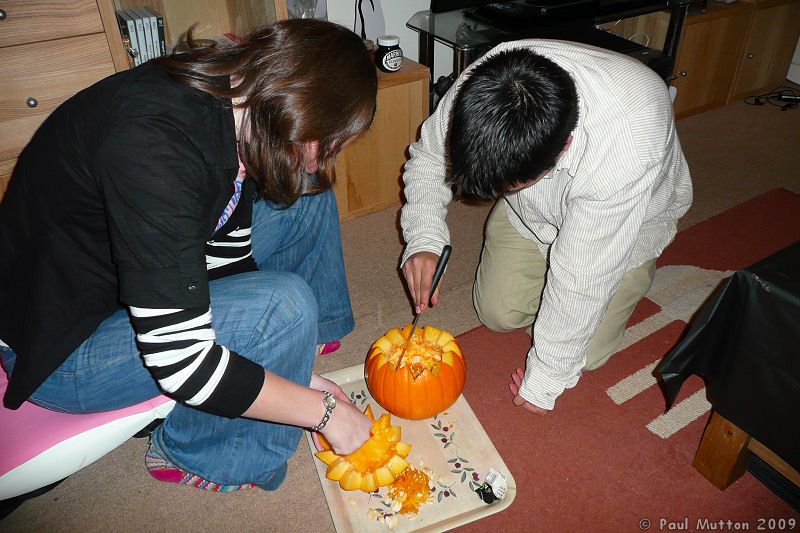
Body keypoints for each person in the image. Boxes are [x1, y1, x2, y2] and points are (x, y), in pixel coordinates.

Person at [0, 19, 377, 492]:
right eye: (332, 144)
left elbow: (227, 253)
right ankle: (198, 453)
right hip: (62, 349)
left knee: (305, 193)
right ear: (303, 114)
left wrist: (298, 375)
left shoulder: (235, 104)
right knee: (284, 306)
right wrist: (322, 414)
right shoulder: (156, 148)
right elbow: (182, 362)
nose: (325, 160)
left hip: (119, 273)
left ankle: (296, 346)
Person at [400, 39, 692, 415]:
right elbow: (427, 160)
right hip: (533, 214)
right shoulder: (485, 80)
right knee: (497, 314)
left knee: (583, 357)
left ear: (564, 145)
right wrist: (424, 238)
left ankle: (633, 274)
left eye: (507, 186)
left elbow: (582, 274)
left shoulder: (628, 147)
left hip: (627, 224)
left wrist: (548, 375)